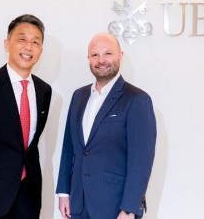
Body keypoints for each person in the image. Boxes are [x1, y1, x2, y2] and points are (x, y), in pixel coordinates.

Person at [56, 32, 156, 219]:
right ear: (89, 58)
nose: (101, 60)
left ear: (120, 55)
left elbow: (141, 162)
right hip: (78, 203)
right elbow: (69, 147)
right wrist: (64, 192)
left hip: (114, 207)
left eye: (108, 53)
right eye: (95, 55)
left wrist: (129, 209)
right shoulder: (79, 96)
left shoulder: (136, 100)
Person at [0, 14, 52, 218]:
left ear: (41, 50)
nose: (29, 47)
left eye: (35, 42)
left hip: (27, 197)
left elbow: (29, 147)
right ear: (7, 44)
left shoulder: (44, 91)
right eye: (22, 39)